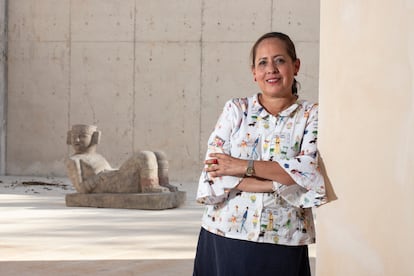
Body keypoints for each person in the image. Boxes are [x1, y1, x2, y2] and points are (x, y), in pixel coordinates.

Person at [193, 32, 327, 276]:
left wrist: (241, 165)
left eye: (280, 60)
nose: (271, 69)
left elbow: (308, 170)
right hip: (224, 234)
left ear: (295, 66)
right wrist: (280, 180)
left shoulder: (312, 114)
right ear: (254, 72)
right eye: (262, 63)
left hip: (283, 239)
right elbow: (214, 170)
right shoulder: (236, 110)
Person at [65, 124, 175, 193]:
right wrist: (98, 178)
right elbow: (81, 189)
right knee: (145, 156)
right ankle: (149, 187)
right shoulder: (74, 160)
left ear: (94, 137)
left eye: (82, 136)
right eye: (74, 136)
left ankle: (163, 183)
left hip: (115, 178)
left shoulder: (97, 156)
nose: (77, 140)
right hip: (114, 185)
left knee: (159, 155)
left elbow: (108, 171)